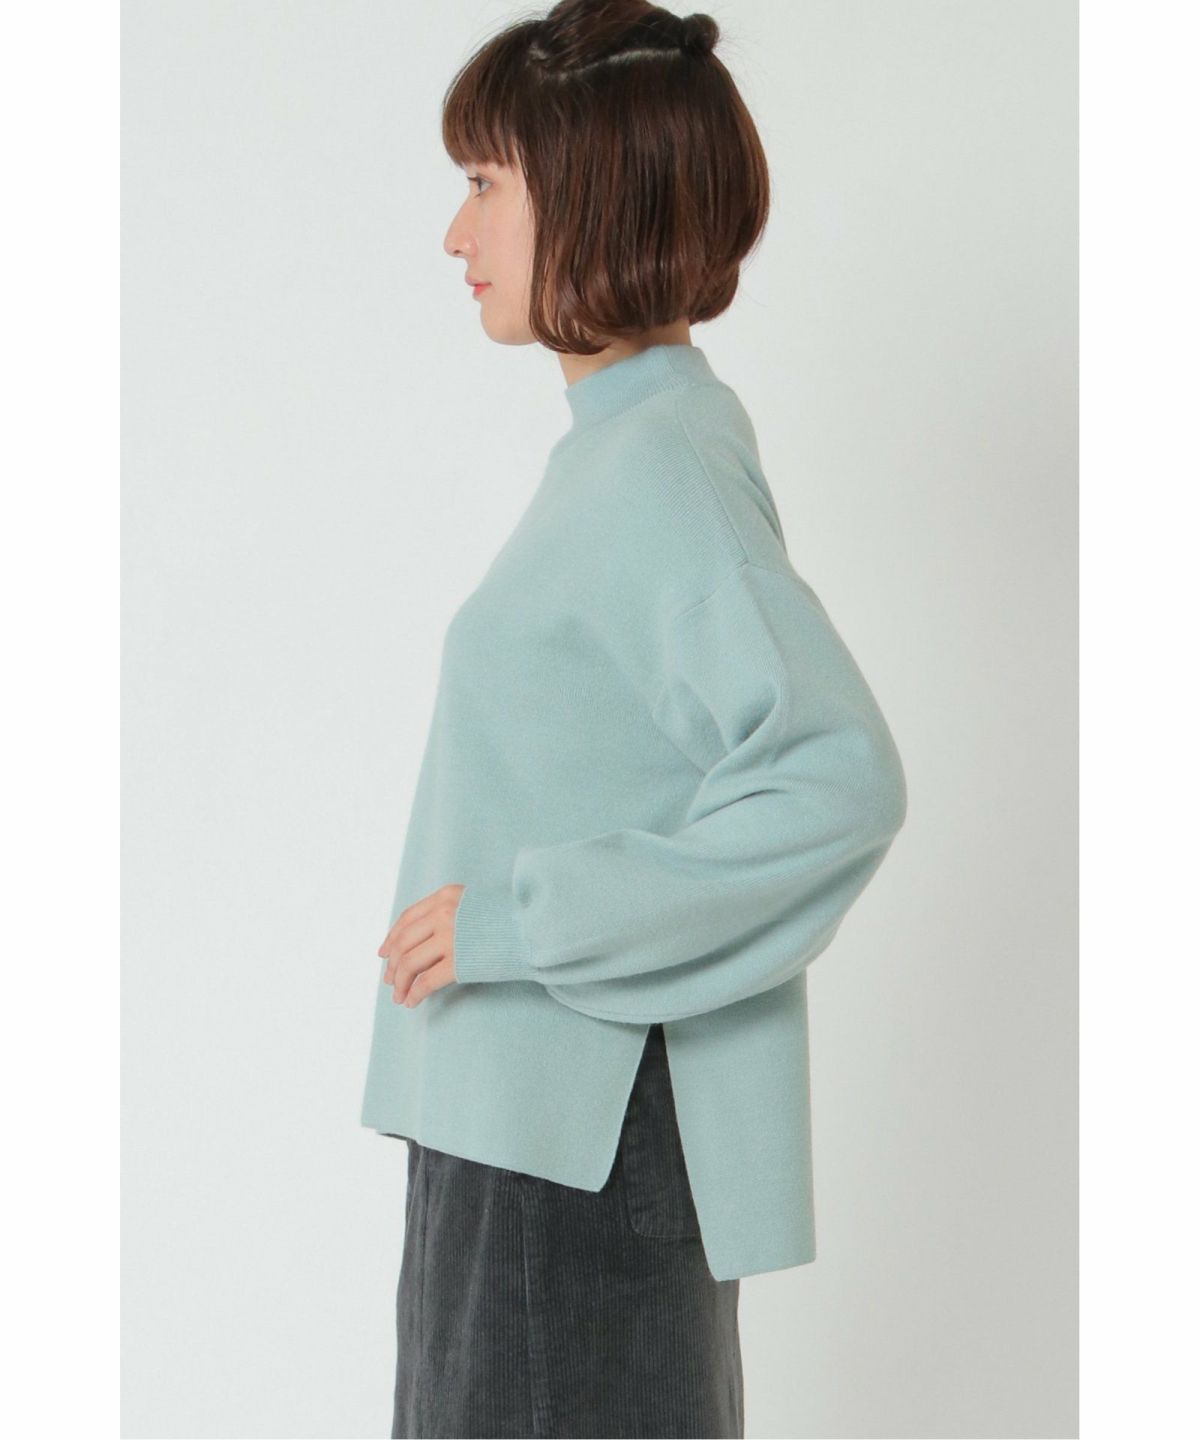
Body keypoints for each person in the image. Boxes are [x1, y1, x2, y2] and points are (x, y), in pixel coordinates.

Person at [360, 2, 909, 1435]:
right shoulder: (620, 455)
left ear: (588, 194)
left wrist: (519, 922)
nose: (456, 233)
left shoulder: (664, 465)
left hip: (574, 1156)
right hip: (529, 1137)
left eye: (485, 183)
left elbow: (839, 778)